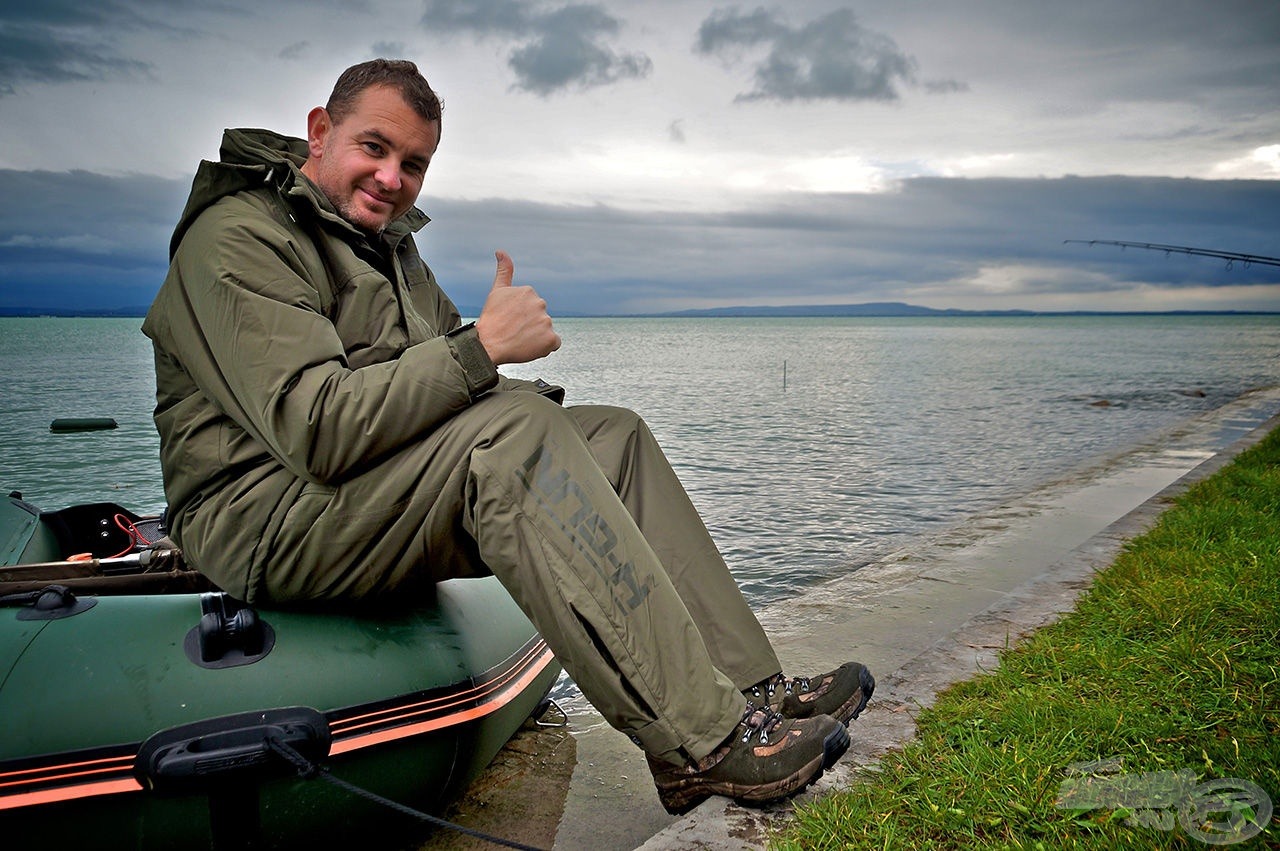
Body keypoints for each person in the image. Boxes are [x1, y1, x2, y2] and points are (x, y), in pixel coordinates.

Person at [143, 58, 873, 815]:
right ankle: (705, 744)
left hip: (357, 492)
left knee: (613, 437)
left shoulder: (387, 248)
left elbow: (444, 383)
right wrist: (483, 349)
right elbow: (318, 425)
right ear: (320, 132)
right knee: (516, 434)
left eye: (414, 164)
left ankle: (750, 689)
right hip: (263, 515)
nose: (393, 178)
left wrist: (510, 384)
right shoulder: (236, 238)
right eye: (374, 148)